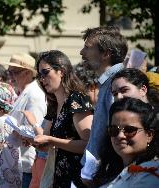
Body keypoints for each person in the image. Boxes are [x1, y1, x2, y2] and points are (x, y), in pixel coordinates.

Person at [33, 50, 93, 187]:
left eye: (45, 72)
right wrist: (38, 142)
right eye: (39, 75)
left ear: (61, 71)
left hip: (76, 179)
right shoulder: (53, 104)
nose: (42, 79)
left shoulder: (76, 99)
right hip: (58, 178)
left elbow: (87, 144)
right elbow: (50, 144)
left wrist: (50, 140)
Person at [80, 26, 128, 183]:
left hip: (110, 174)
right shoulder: (109, 82)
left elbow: (119, 133)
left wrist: (92, 172)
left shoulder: (118, 84)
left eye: (87, 48)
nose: (81, 53)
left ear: (106, 53)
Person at [92, 97, 159, 187]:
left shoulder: (151, 173)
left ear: (149, 135)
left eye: (130, 130)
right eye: (113, 130)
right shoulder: (110, 169)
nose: (120, 136)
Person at [6, 53, 47, 188]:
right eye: (9, 72)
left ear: (28, 73)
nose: (10, 76)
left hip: (26, 164)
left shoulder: (34, 95)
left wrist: (17, 131)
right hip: (18, 162)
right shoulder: (24, 91)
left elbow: (36, 130)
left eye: (14, 72)